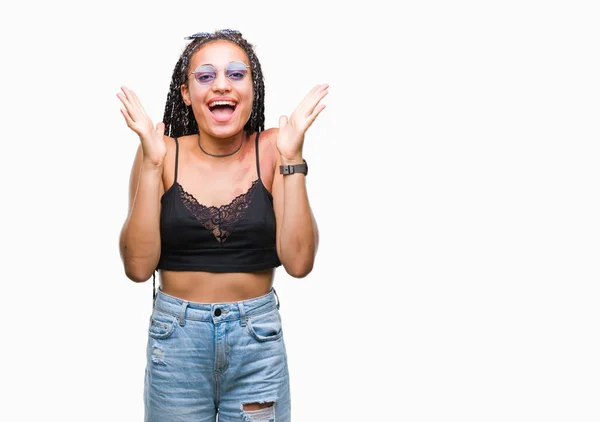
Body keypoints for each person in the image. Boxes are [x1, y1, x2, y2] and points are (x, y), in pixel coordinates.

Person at [117, 29, 327, 421]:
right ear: (185, 93)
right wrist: (150, 164)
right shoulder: (161, 153)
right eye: (206, 76)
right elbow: (138, 268)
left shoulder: (275, 148)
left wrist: (293, 156)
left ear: (252, 85)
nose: (221, 85)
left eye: (235, 73)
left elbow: (299, 263)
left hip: (257, 343)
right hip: (176, 342)